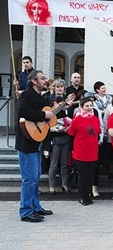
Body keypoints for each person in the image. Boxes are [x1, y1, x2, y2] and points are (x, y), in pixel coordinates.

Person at [16, 70, 54, 222]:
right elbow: (23, 112)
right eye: (42, 78)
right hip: (27, 142)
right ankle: (26, 212)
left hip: (36, 142)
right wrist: (43, 116)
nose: (45, 80)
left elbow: (49, 115)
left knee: (35, 177)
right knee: (29, 179)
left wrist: (62, 109)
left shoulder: (39, 96)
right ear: (34, 81)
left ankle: (35, 207)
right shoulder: (26, 94)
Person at [68, 97, 101, 206]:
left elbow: (98, 133)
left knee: (90, 175)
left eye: (91, 105)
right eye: (86, 106)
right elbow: (71, 136)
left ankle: (88, 195)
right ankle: (82, 196)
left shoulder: (95, 119)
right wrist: (71, 150)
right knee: (82, 175)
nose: (89, 108)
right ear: (81, 107)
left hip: (92, 151)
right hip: (80, 151)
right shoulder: (77, 119)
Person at [48, 96, 72, 195]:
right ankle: (51, 186)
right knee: (54, 164)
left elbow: (70, 121)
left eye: (63, 104)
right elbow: (49, 127)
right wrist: (62, 129)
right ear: (54, 103)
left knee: (64, 163)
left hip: (65, 139)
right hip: (55, 139)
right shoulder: (50, 113)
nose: (61, 106)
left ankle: (65, 184)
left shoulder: (64, 113)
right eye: (59, 104)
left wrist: (70, 126)